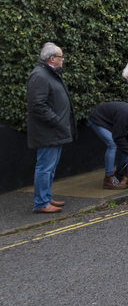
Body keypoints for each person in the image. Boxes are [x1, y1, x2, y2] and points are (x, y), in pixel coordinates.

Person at [27, 42, 76, 214]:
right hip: (48, 130)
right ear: (52, 59)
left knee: (50, 167)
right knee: (45, 167)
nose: (63, 60)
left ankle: (46, 197)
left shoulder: (49, 74)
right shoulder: (40, 76)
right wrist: (55, 120)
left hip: (55, 130)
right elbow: (37, 105)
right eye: (61, 57)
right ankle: (41, 203)